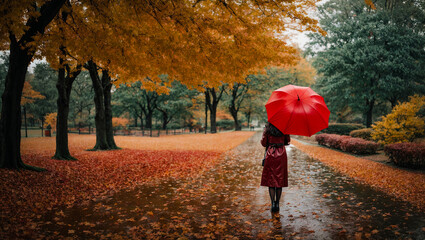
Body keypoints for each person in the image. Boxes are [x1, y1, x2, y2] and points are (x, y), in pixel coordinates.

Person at [260, 122, 290, 213]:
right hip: (281, 155)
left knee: (271, 180)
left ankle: (272, 203)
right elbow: (287, 141)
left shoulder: (268, 128)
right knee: (279, 179)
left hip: (270, 154)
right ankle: (277, 203)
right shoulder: (284, 127)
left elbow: (264, 143)